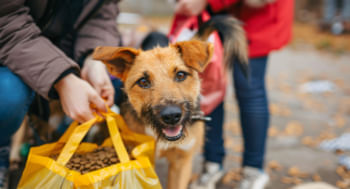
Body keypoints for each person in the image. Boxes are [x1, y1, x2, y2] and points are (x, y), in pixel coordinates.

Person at [0, 0, 122, 188]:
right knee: (8, 95)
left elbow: (101, 12)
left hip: (62, 44)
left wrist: (94, 59)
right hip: (10, 44)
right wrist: (63, 79)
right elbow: (6, 20)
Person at [173, 0, 294, 188]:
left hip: (254, 13)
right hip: (210, 15)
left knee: (249, 88)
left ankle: (253, 170)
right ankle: (212, 163)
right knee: (208, 87)